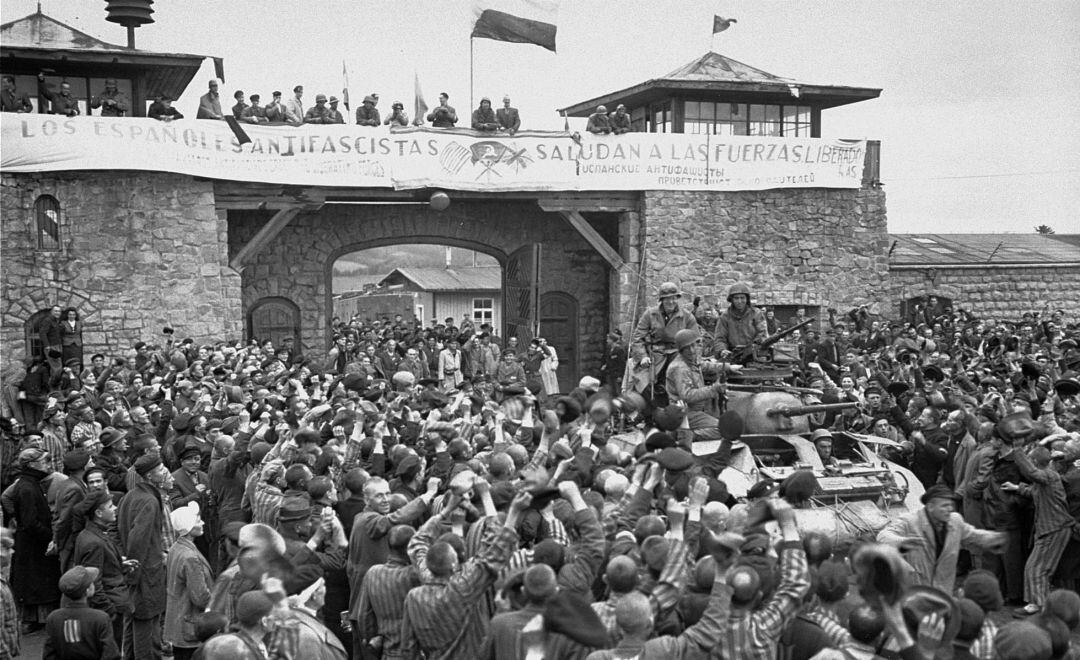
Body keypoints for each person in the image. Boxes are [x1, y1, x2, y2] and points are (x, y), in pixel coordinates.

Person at [399, 486, 530, 659]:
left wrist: (446, 510)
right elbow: (495, 552)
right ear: (454, 565)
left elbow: (418, 542)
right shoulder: (463, 587)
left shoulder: (414, 596)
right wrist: (510, 510)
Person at [877, 484, 1007, 591]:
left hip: (943, 592)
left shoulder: (955, 520)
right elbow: (883, 536)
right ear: (930, 506)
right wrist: (902, 542)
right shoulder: (910, 521)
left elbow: (972, 535)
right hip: (915, 593)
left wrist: (993, 538)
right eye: (944, 506)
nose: (950, 509)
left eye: (951, 505)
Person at [117, 453, 173, 660]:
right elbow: (138, 541)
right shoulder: (149, 500)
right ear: (150, 476)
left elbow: (118, 531)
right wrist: (133, 572)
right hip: (145, 573)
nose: (165, 471)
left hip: (136, 571)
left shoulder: (130, 496)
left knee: (132, 624)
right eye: (160, 469)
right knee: (148, 630)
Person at [3, 448, 62, 633]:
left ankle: (36, 619)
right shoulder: (27, 487)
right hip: (33, 543)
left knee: (35, 581)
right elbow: (30, 521)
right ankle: (35, 619)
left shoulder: (29, 482)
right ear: (32, 465)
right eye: (44, 461)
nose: (47, 465)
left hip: (31, 541)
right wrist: (48, 535)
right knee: (36, 582)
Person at [73, 489, 132, 648]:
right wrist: (109, 610)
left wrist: (120, 564)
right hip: (107, 609)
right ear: (98, 513)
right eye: (110, 506)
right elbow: (93, 581)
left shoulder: (93, 534)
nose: (115, 509)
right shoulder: (94, 542)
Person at [629, 282, 699, 406]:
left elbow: (696, 340)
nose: (671, 302)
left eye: (674, 298)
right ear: (662, 300)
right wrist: (642, 356)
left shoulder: (687, 317)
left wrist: (693, 358)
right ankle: (650, 410)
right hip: (655, 355)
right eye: (667, 299)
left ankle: (678, 408)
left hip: (678, 353)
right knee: (641, 380)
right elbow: (638, 338)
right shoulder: (650, 314)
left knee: (682, 377)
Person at [665, 329, 738, 446]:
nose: (692, 350)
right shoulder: (680, 368)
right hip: (684, 412)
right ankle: (688, 435)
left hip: (694, 410)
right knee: (723, 430)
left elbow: (704, 366)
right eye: (687, 348)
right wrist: (714, 389)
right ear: (681, 350)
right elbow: (687, 395)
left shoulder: (690, 359)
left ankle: (682, 432)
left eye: (694, 346)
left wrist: (728, 367)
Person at [165, 503, 213, 660]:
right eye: (198, 521)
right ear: (189, 526)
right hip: (189, 625)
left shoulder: (175, 548)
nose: (202, 523)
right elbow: (199, 597)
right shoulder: (190, 557)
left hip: (177, 622)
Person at [44, 566, 120, 659]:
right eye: (92, 582)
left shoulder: (53, 618)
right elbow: (110, 654)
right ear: (87, 590)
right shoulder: (100, 618)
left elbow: (49, 654)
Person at [713, 282, 767, 360]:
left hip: (754, 355)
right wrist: (722, 350)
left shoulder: (756, 314)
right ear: (732, 300)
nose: (739, 301)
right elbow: (720, 338)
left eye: (742, 298)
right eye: (736, 298)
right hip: (732, 355)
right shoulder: (725, 316)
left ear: (747, 299)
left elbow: (762, 334)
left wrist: (751, 347)